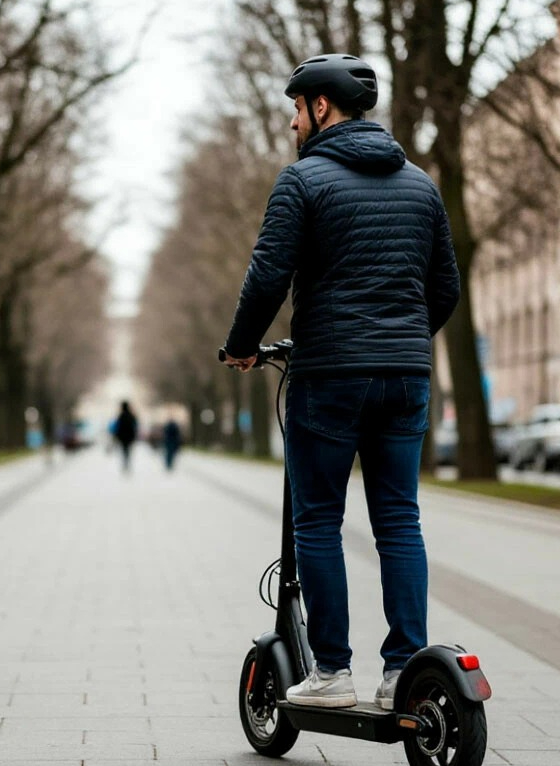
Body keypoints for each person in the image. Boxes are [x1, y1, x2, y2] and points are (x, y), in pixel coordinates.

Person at [222, 54, 460, 710]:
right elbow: (445, 288)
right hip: (406, 377)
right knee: (399, 520)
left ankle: (332, 672)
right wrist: (401, 337)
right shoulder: (421, 185)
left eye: (296, 109)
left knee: (319, 520)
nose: (292, 122)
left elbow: (268, 275)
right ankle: (402, 671)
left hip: (329, 376)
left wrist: (242, 346)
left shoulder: (303, 181)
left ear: (321, 106)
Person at [112, 401, 138, 473]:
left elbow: (117, 427)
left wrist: (116, 436)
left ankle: (125, 464)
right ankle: (127, 464)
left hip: (122, 437)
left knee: (124, 451)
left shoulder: (120, 416)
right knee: (128, 451)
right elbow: (135, 426)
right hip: (130, 437)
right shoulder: (131, 416)